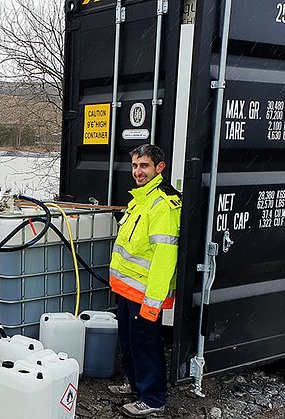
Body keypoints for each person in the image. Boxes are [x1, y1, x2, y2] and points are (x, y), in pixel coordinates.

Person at [108, 144, 181, 418]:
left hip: (144, 295)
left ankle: (153, 398)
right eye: (136, 166)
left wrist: (153, 302)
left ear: (159, 168)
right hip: (126, 290)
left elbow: (165, 258)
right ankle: (135, 385)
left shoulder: (164, 205)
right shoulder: (139, 199)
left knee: (146, 347)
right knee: (128, 343)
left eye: (144, 166)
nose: (138, 171)